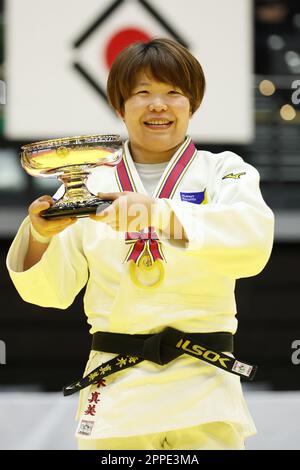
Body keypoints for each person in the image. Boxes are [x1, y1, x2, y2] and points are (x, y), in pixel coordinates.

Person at [6, 38, 274, 450]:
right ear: (120, 105)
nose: (158, 105)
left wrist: (158, 213)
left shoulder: (225, 171)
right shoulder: (91, 184)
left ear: (193, 104)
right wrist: (41, 234)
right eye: (143, 93)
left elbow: (252, 243)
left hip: (204, 384)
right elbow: (50, 291)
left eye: (173, 93)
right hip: (117, 385)